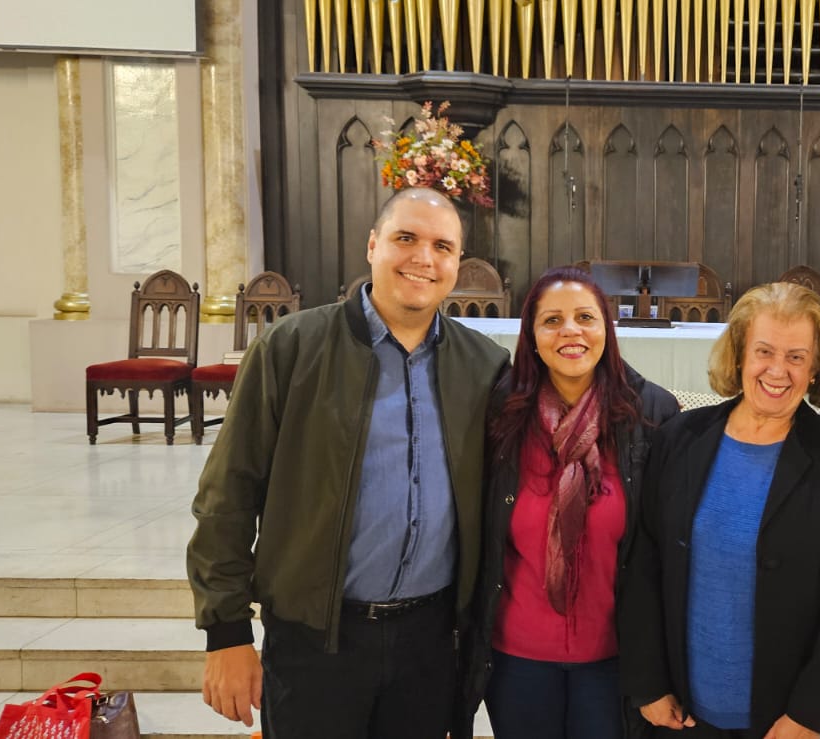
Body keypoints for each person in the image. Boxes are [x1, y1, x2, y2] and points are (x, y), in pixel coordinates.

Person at [186, 187, 509, 738]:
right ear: (372, 245)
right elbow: (228, 494)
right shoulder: (291, 348)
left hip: (430, 645)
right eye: (405, 238)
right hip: (317, 639)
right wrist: (227, 632)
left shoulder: (483, 365)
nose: (423, 258)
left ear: (458, 262)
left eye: (442, 247)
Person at [619, 282, 820, 739]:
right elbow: (644, 564)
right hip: (684, 716)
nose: (778, 371)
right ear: (740, 354)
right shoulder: (679, 439)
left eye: (797, 357)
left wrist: (813, 712)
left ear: (815, 368)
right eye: (764, 351)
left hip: (789, 722)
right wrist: (648, 683)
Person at [459, 267, 679, 739]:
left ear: (606, 329)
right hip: (517, 658)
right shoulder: (499, 414)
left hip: (615, 658)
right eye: (552, 320)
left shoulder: (651, 413)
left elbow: (664, 549)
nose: (570, 331)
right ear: (532, 336)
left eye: (585, 317)